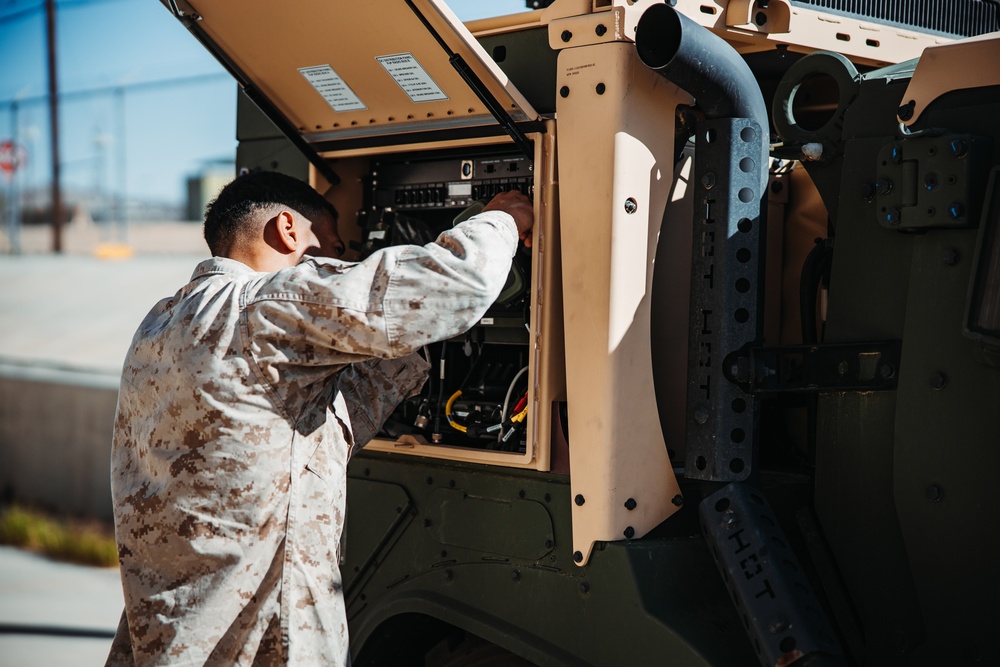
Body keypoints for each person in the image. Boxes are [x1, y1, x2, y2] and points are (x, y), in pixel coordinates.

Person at [106, 170, 533, 666]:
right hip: (256, 643)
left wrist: (411, 349)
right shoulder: (264, 307)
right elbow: (454, 284)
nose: (339, 263)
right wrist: (502, 220)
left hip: (168, 638)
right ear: (288, 229)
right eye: (330, 247)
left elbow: (303, 431)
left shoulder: (161, 323)